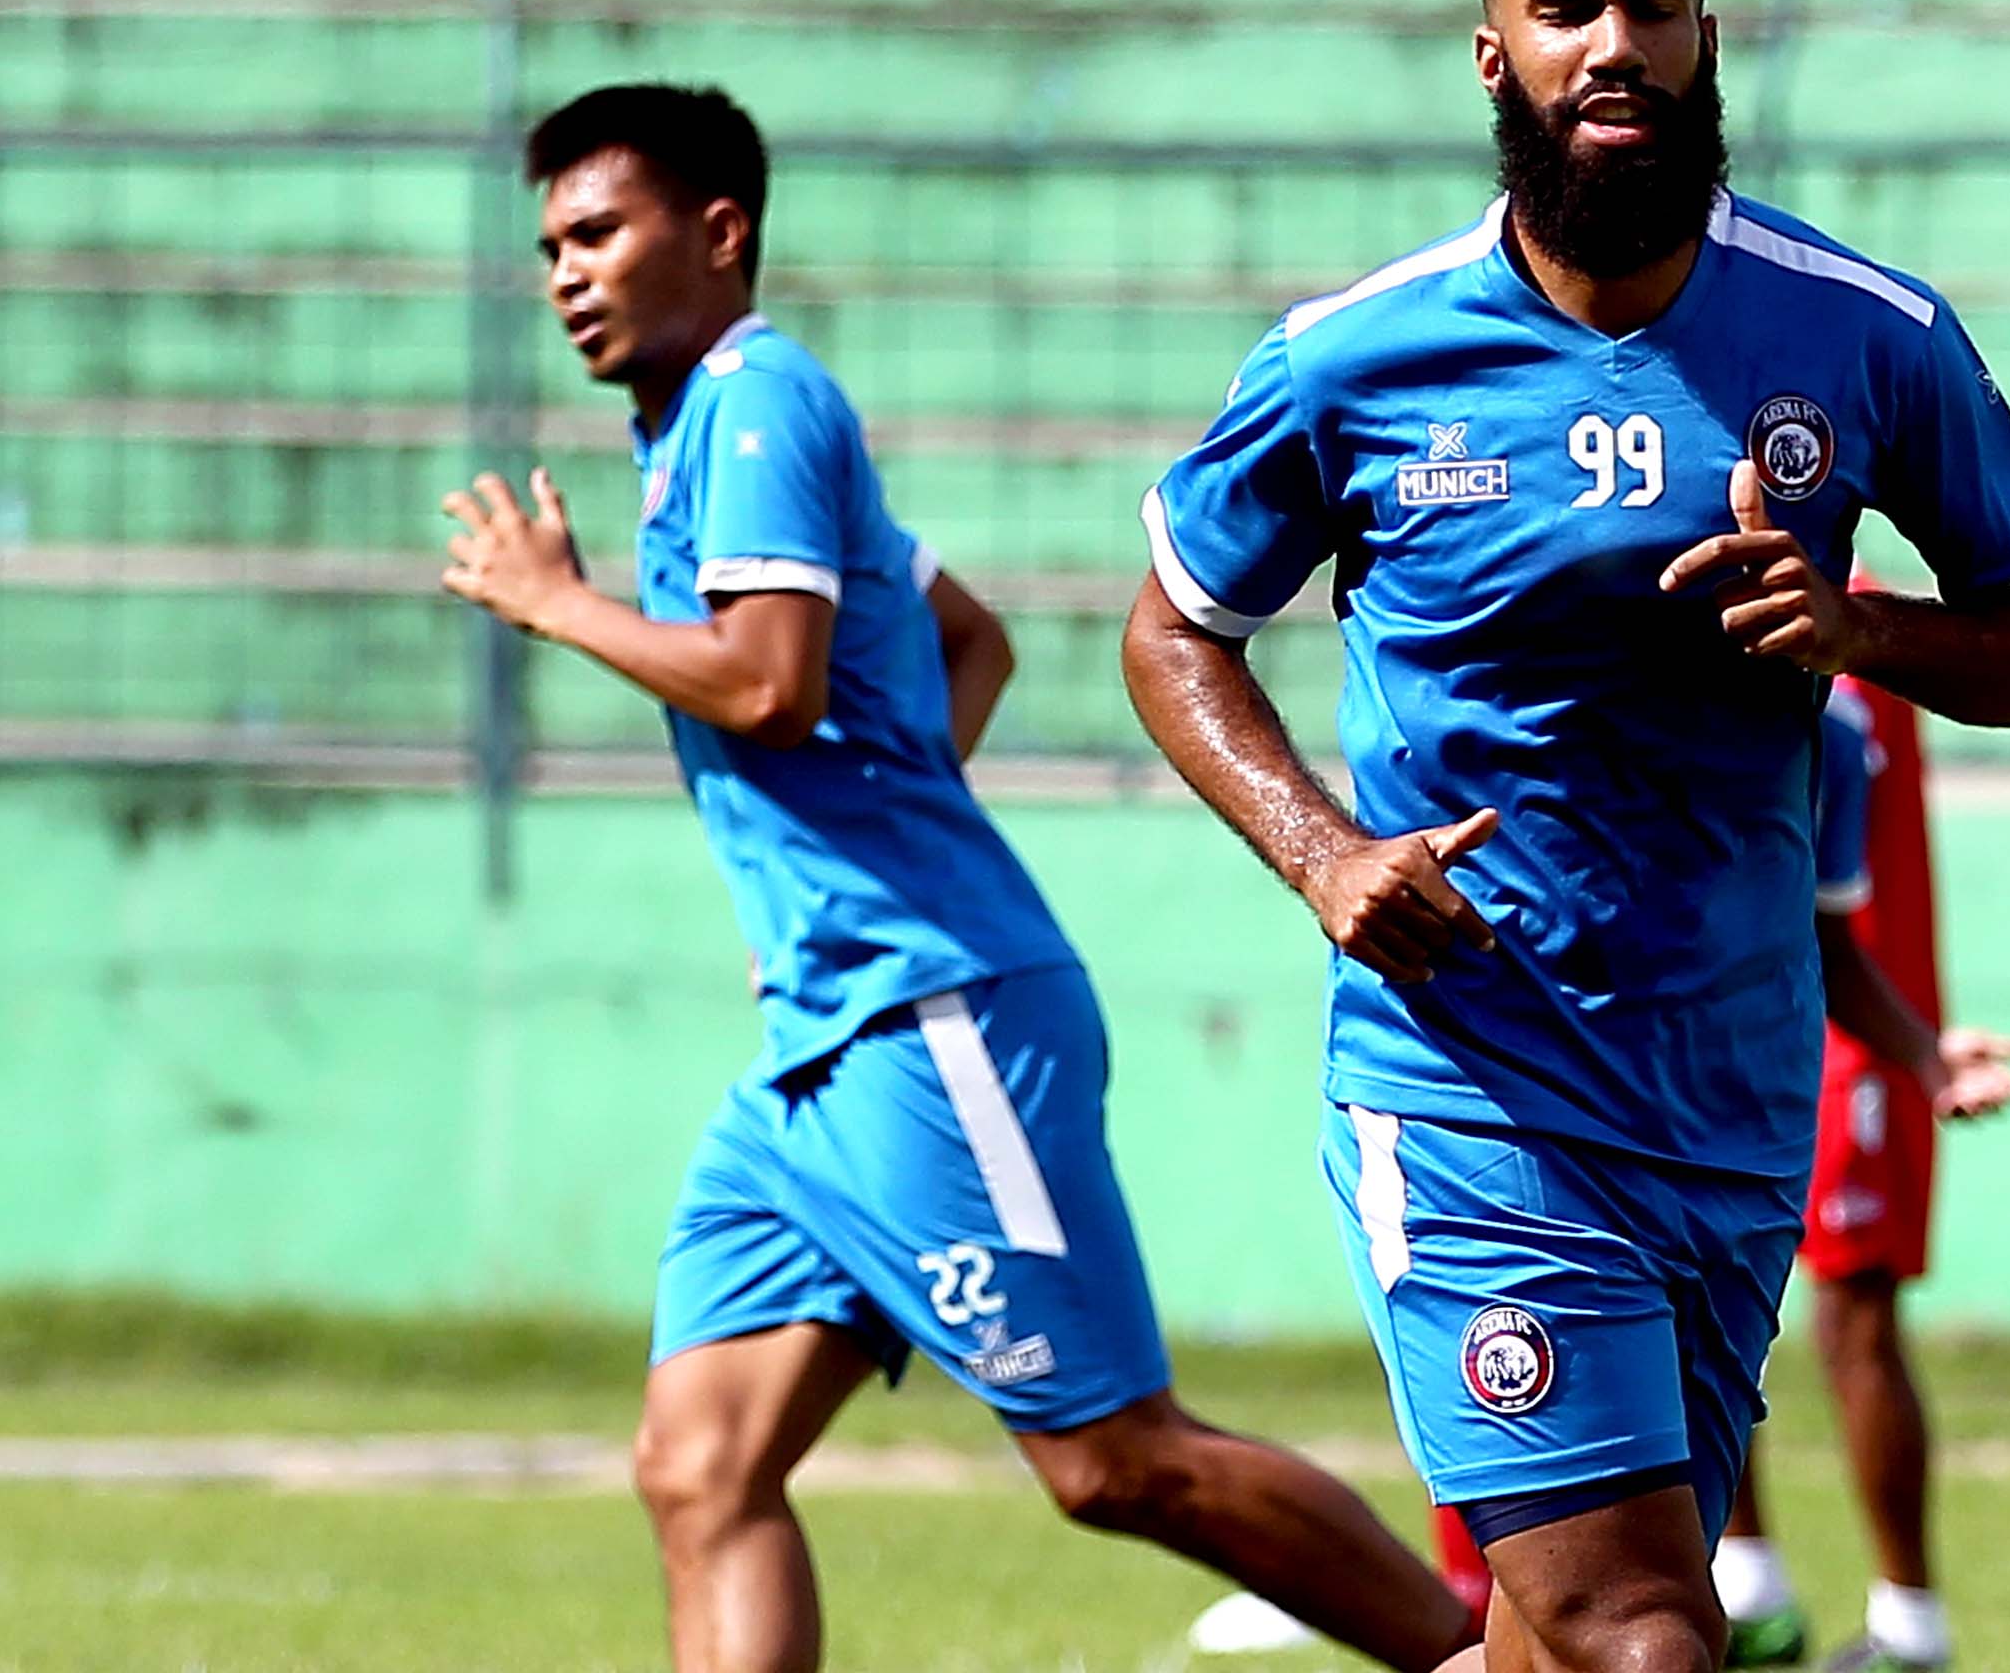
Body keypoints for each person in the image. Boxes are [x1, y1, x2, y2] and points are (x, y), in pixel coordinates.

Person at [1123, 0, 2010, 1673]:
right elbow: (1174, 625)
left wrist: (1862, 628)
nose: (1616, 41)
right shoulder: (1353, 357)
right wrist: (1324, 852)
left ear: (1707, 33)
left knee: (1552, 1635)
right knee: (1652, 1630)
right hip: (1473, 1072)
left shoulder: (1862, 333)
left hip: (1729, 1094)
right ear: (1493, 52)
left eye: (1652, 2)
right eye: (1569, 5)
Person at [439, 82, 1485, 1673]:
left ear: (718, 234)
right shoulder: (692, 436)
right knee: (701, 1464)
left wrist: (555, 603)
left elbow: (771, 680)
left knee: (1112, 1460)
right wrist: (856, 857)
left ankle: (1479, 1654)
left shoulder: (759, 402)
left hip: (934, 1018)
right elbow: (964, 634)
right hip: (825, 1037)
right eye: (548, 248)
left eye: (598, 232)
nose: (565, 273)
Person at [1708, 679, 2010, 1672]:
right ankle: (1745, 1587)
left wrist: (1916, 1047)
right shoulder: (1694, 597)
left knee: (1853, 1311)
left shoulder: (1850, 639)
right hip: (1720, 1021)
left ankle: (1910, 1626)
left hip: (1845, 1028)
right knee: (1694, 1298)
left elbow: (1837, 894)